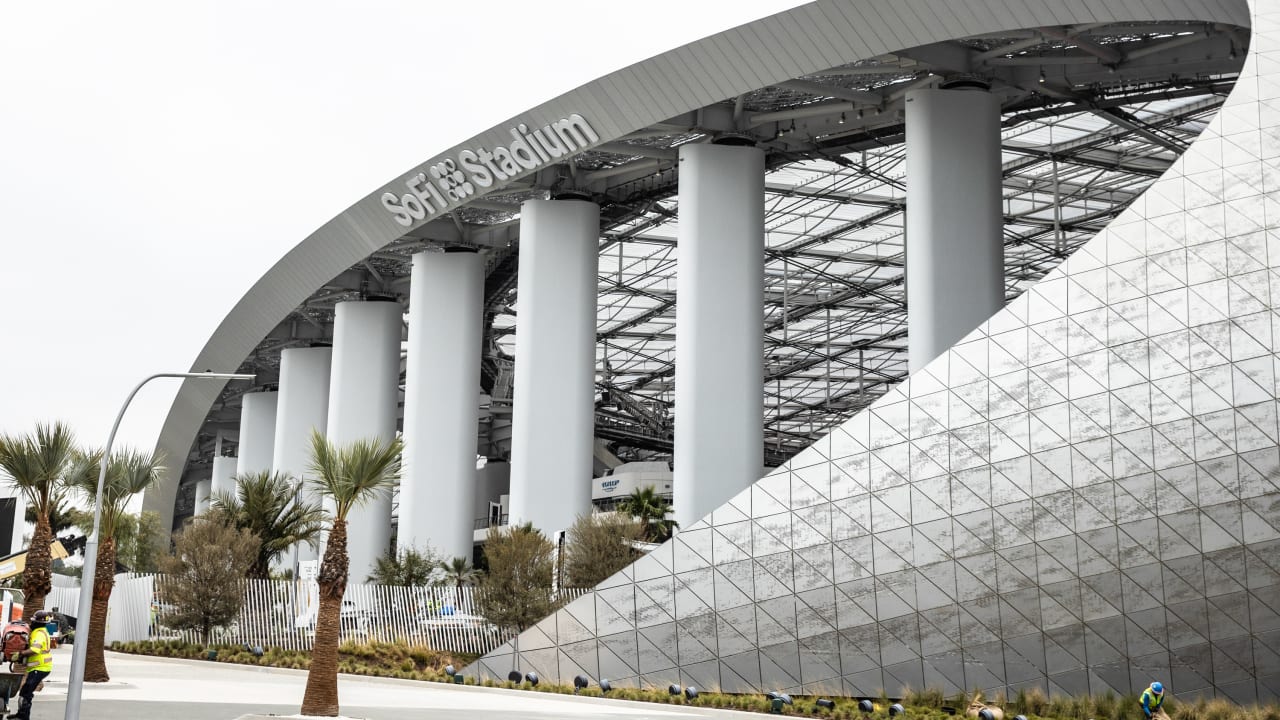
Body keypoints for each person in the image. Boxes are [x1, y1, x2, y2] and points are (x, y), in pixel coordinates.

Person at [8, 610, 54, 720]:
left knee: (26, 692)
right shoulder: (41, 631)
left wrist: (20, 654)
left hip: (40, 667)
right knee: (25, 691)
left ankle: (23, 717)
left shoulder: (39, 634)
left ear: (38, 623)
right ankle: (21, 715)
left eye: (33, 621)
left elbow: (35, 649)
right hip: (39, 667)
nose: (31, 623)